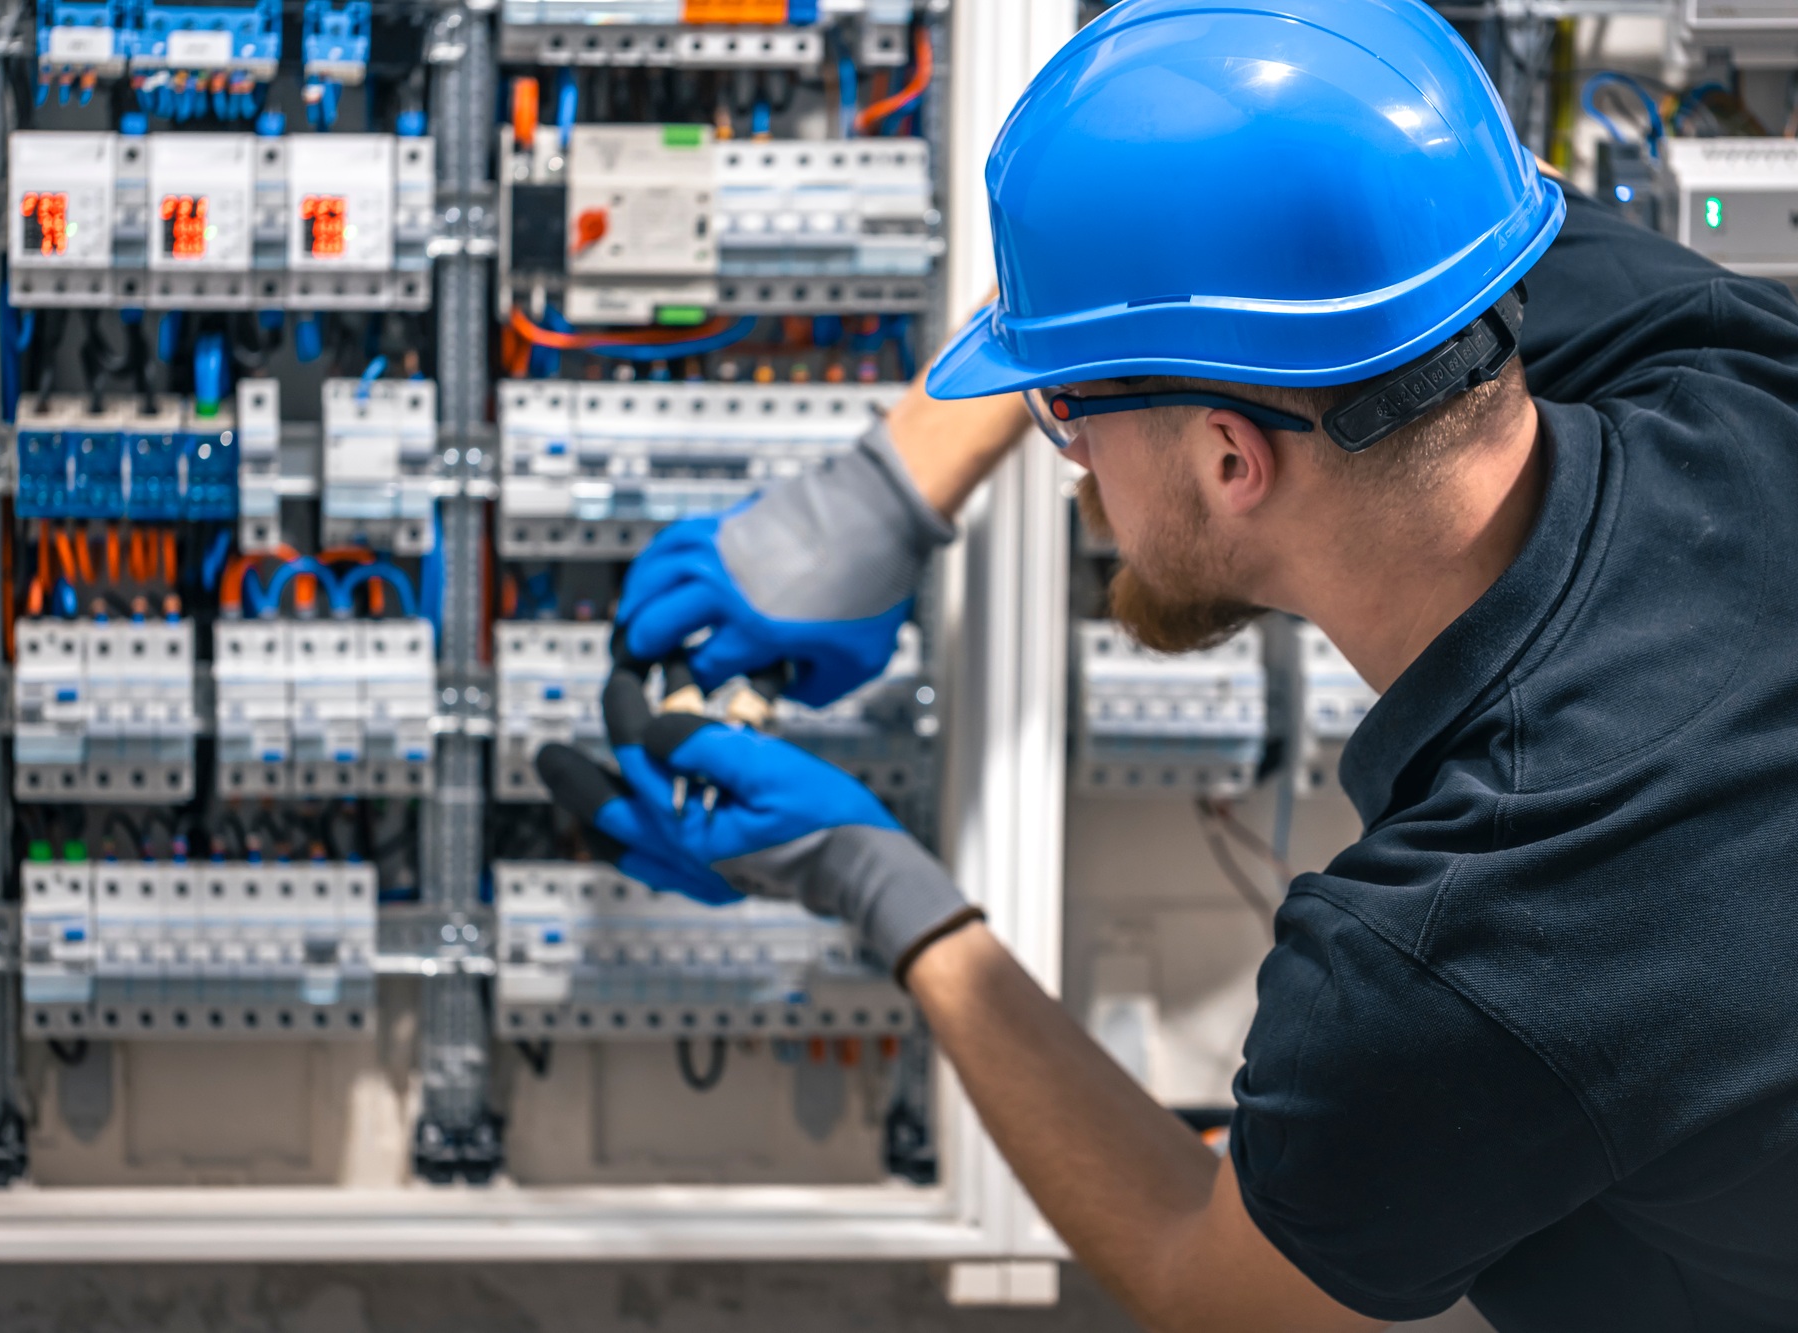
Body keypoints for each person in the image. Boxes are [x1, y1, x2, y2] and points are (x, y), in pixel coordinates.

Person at [535, 0, 1798, 1327]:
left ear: (1230, 461)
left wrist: (892, 898)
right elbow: (1251, 165)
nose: (1064, 453)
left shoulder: (1455, 956)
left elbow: (1214, 1283)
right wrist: (889, 490)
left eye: (1066, 411)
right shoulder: (1713, 363)